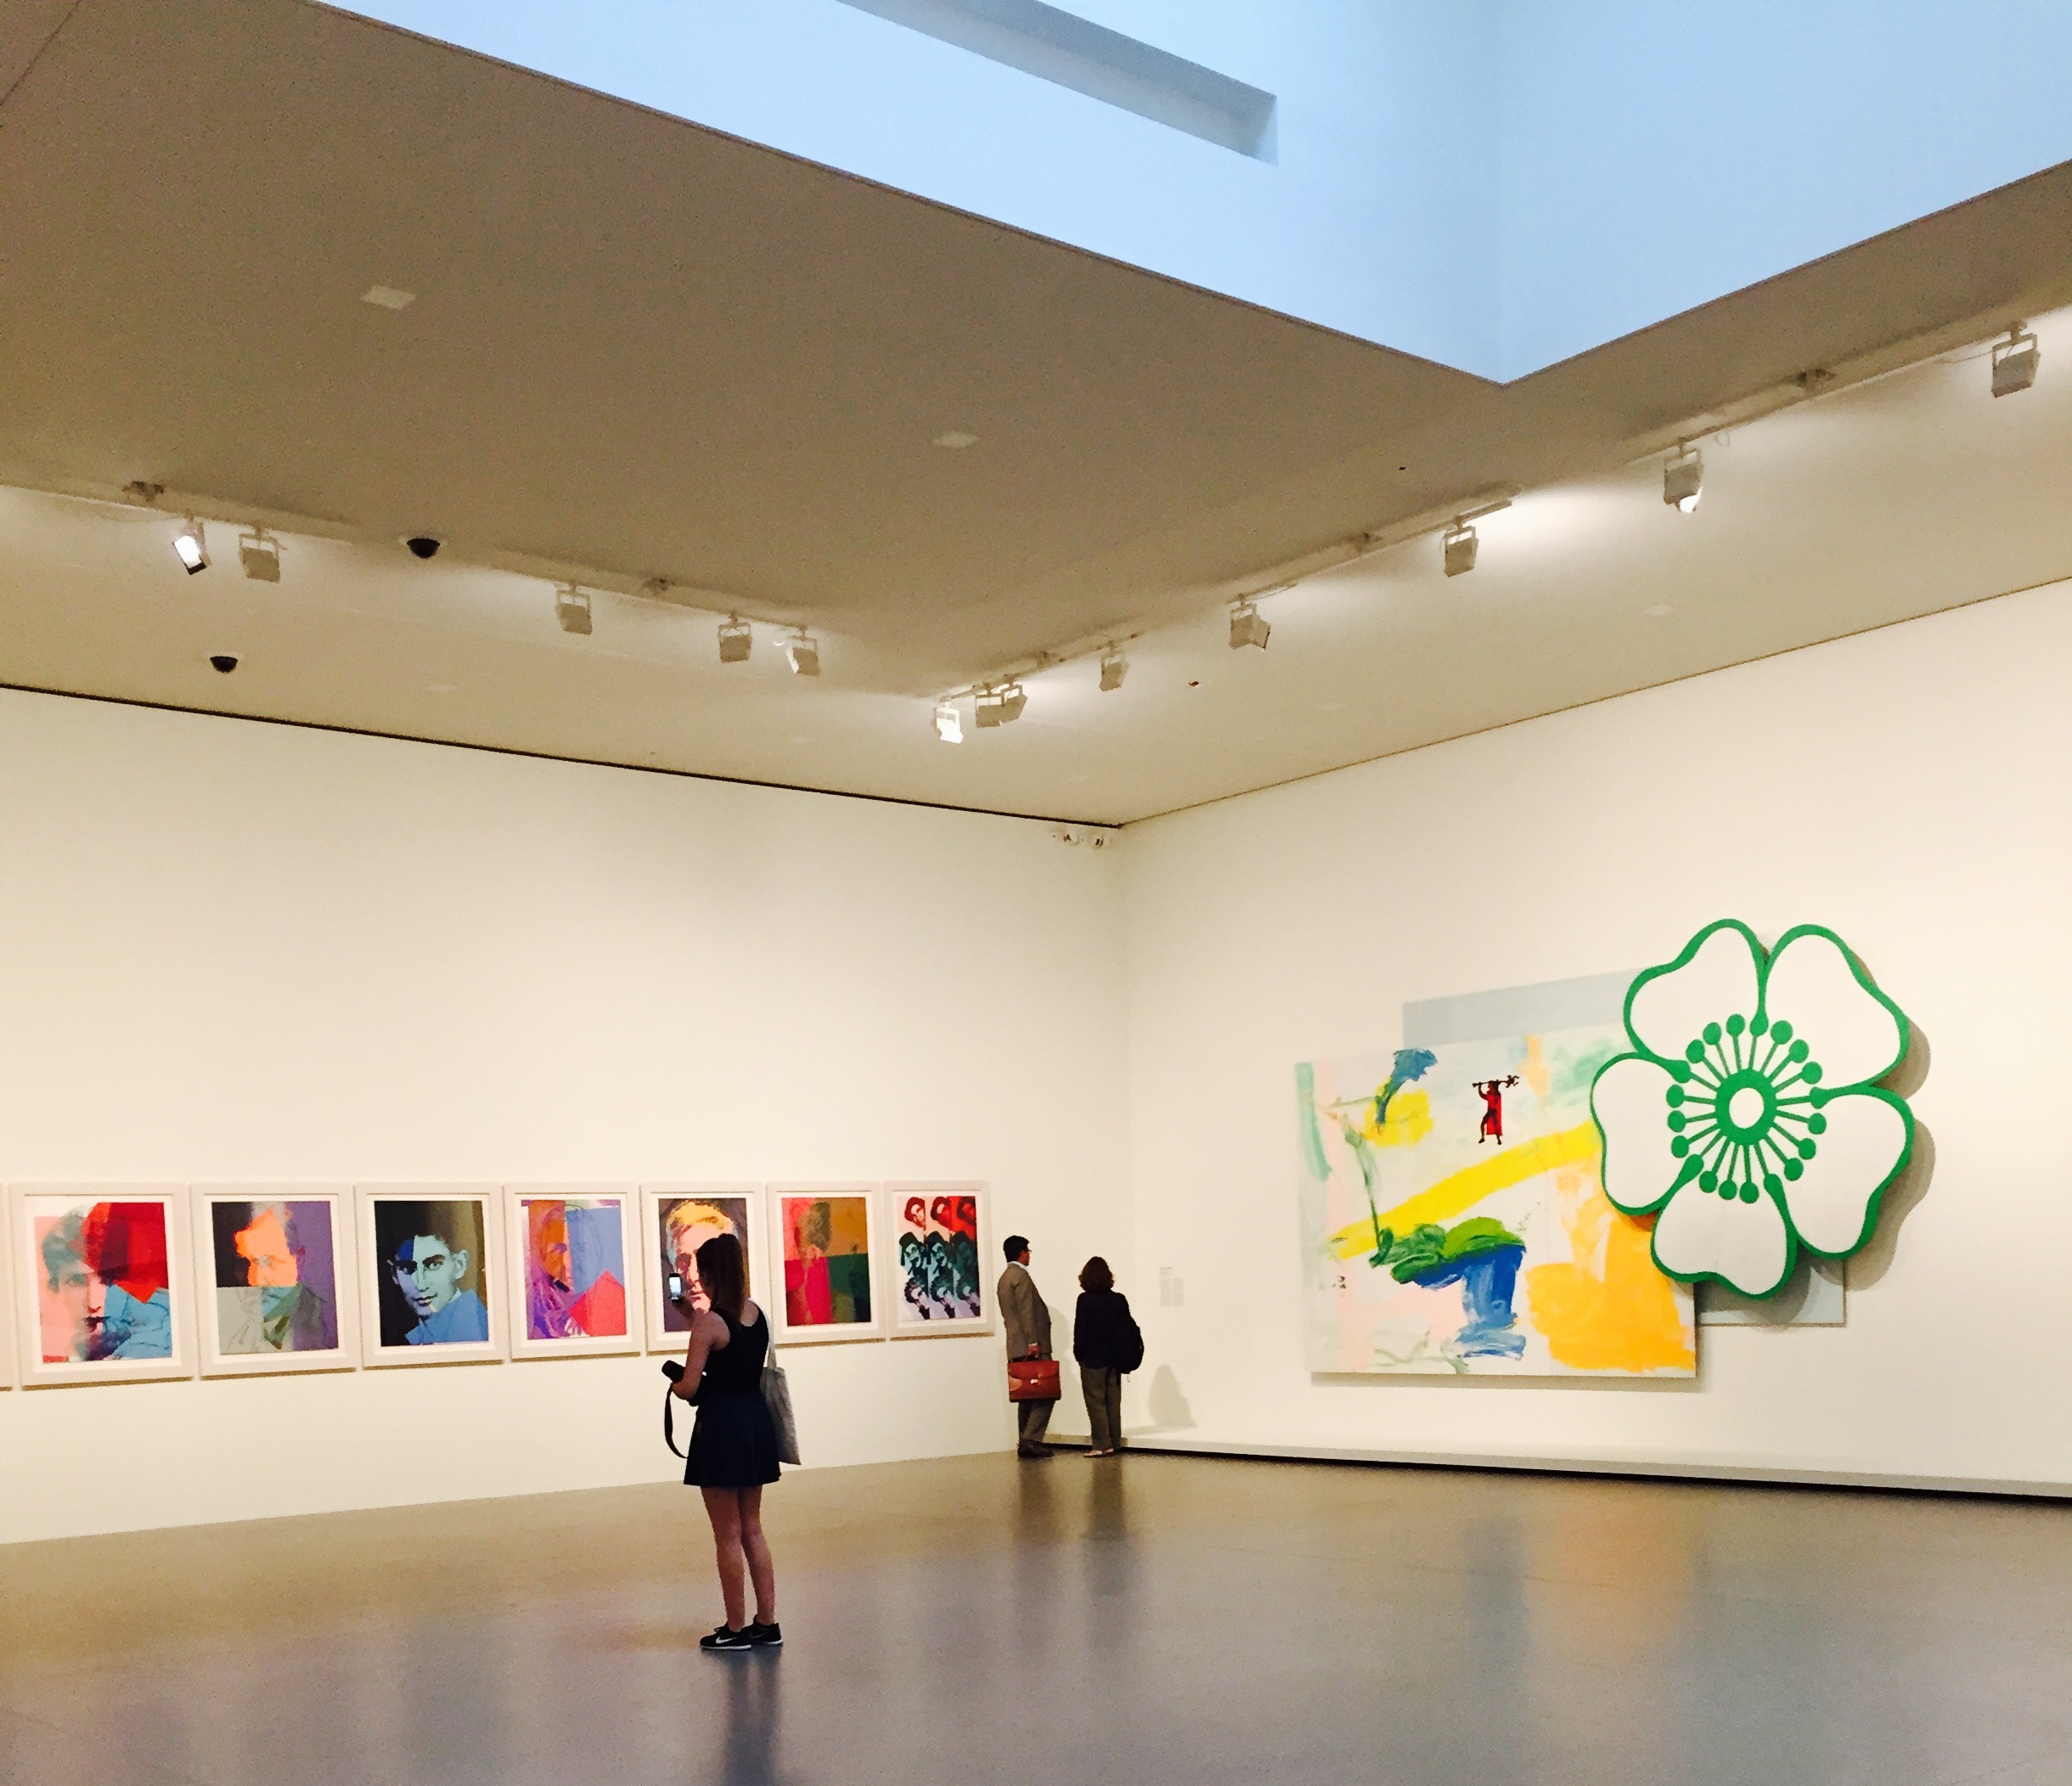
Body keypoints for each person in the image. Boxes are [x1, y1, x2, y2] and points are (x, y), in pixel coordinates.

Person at [671, 1231, 783, 1653]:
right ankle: (766, 1623)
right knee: (752, 1528)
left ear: (711, 1272)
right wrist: (692, 1318)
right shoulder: (757, 1314)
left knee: (727, 1534)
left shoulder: (709, 1324)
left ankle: (734, 1629)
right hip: (754, 1424)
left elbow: (689, 1386)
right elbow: (732, 1352)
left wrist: (675, 1383)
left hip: (720, 1430)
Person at [380, 1203, 490, 1346]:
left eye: (434, 1265)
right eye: (408, 1269)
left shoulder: (474, 1330)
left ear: (459, 1265)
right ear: (395, 1275)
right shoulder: (417, 1333)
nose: (421, 1284)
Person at [1072, 1256, 1143, 1457]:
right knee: (1113, 1401)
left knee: (1095, 1402)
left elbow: (1081, 1331)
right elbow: (1126, 1329)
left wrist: (1079, 1353)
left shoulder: (1084, 1300)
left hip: (1092, 1358)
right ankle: (1114, 1441)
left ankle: (1101, 1444)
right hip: (1114, 1359)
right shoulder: (1118, 1300)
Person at [997, 1234, 1056, 1459]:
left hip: (1015, 1345)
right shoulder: (1020, 1276)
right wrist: (1033, 1342)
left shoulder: (1005, 1278)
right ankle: (1031, 1439)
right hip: (1029, 1346)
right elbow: (1026, 1311)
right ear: (1022, 1252)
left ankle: (1025, 1440)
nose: (1029, 1255)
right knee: (1046, 1391)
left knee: (1026, 1396)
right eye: (1028, 1251)